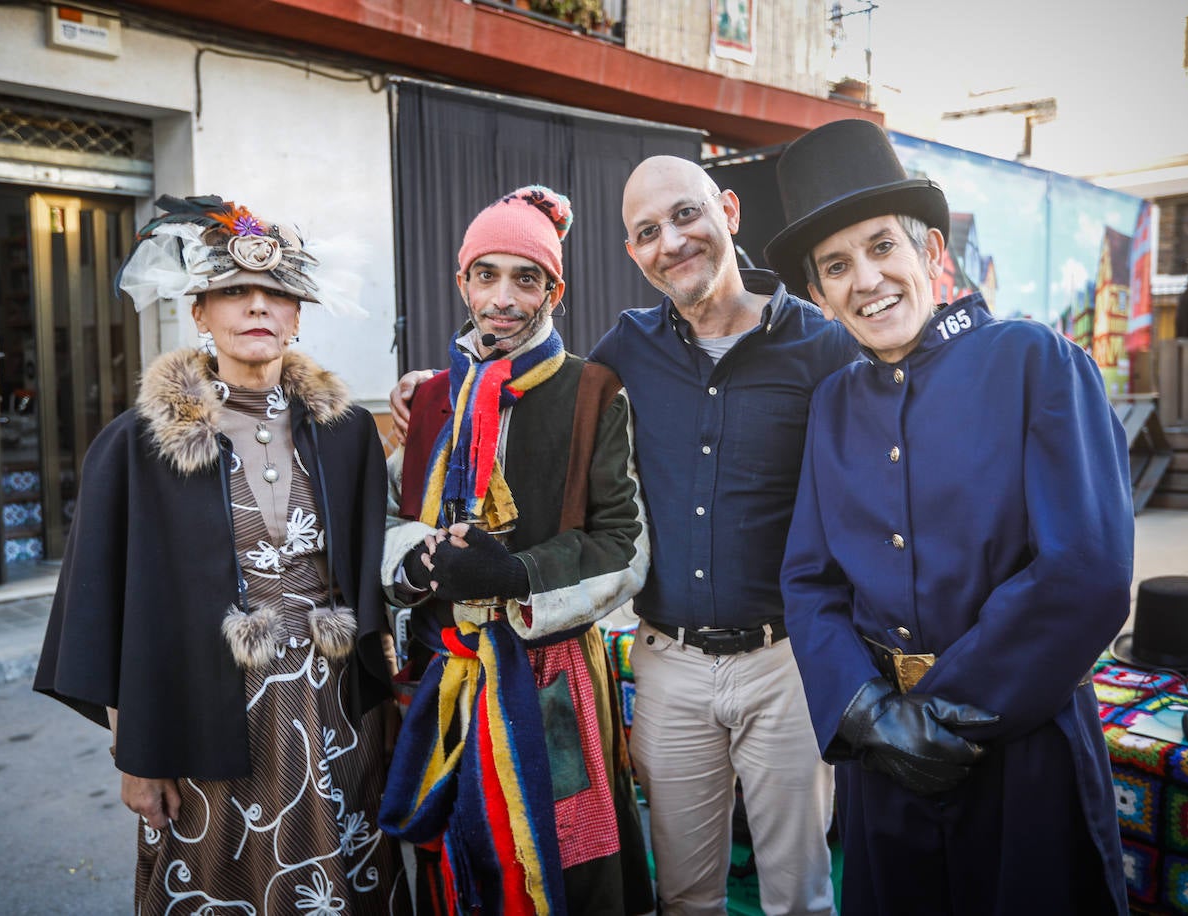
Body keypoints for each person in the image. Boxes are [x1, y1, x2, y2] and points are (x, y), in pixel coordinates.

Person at [390, 160, 855, 915]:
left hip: (786, 665)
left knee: (800, 895)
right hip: (668, 665)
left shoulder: (823, 346)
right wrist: (438, 384)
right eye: (647, 232)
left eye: (685, 215)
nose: (671, 241)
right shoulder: (625, 351)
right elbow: (524, 371)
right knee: (686, 894)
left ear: (728, 211)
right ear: (633, 253)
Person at [772, 119, 1132, 914]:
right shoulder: (833, 405)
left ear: (933, 252)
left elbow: (1088, 572)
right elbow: (808, 578)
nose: (866, 279)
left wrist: (937, 712)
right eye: (837, 266)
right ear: (818, 295)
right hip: (884, 761)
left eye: (881, 247)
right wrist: (866, 713)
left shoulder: (1037, 362)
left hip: (1022, 742)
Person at [34, 195, 410, 914]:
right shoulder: (139, 444)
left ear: (299, 314)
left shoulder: (350, 432)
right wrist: (135, 755)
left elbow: (374, 579)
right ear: (200, 313)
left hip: (340, 715)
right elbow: (103, 612)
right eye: (234, 292)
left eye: (276, 294)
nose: (257, 307)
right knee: (226, 881)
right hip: (207, 714)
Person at [378, 186, 654, 915]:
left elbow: (625, 546)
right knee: (450, 867)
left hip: (554, 680)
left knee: (570, 861)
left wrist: (515, 574)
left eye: (525, 277)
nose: (504, 296)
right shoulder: (431, 396)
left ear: (554, 289)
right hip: (446, 678)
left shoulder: (594, 391)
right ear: (462, 281)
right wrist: (415, 561)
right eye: (486, 273)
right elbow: (385, 518)